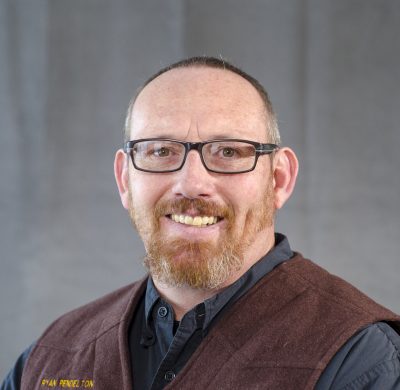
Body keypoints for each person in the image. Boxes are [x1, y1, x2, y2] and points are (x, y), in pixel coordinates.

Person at [2, 56, 400, 390]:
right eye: (160, 150)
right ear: (125, 180)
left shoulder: (360, 359)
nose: (191, 183)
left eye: (228, 151)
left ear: (278, 179)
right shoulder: (50, 356)